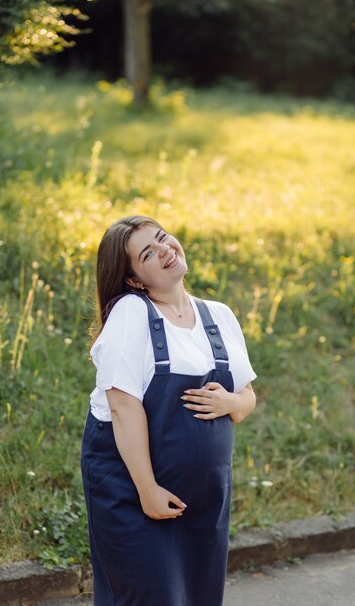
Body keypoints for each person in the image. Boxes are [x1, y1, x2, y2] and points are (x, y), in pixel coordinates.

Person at [81, 215, 257, 606]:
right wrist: (146, 489)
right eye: (147, 253)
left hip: (204, 499)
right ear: (133, 280)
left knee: (198, 598)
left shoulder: (219, 316)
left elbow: (246, 398)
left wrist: (230, 401)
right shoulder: (132, 313)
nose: (165, 250)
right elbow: (123, 406)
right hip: (133, 492)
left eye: (162, 238)